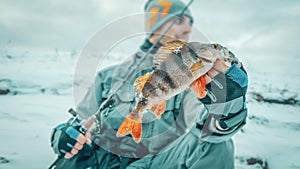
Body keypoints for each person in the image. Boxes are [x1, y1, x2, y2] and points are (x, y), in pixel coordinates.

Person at [49, 0, 248, 168]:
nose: (188, 28)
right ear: (157, 23)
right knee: (71, 156)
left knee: (218, 145)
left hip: (158, 162)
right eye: (179, 20)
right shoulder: (108, 76)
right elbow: (77, 124)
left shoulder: (194, 77)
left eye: (190, 22)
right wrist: (63, 137)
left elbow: (208, 126)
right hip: (106, 162)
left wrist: (227, 107)